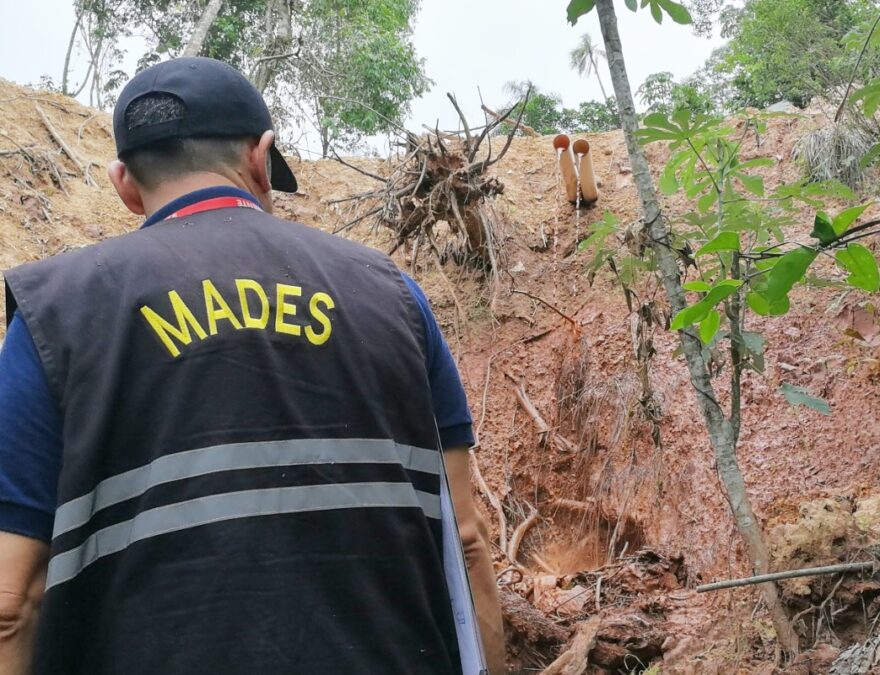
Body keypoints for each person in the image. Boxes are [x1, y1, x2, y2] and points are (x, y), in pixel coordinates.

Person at [0, 57, 506, 675]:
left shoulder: (55, 311)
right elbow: (468, 540)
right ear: (262, 159)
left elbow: (12, 601)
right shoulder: (396, 297)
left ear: (124, 184)